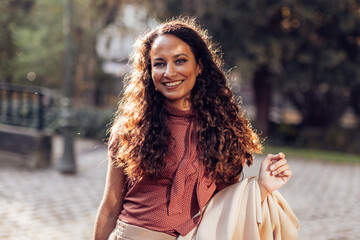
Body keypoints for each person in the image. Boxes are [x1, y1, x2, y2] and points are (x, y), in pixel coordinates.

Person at [94, 17, 298, 240]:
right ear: (149, 72)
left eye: (180, 61)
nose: (169, 73)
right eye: (159, 64)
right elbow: (110, 207)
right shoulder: (131, 128)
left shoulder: (223, 132)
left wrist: (263, 186)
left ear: (199, 65)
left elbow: (225, 210)